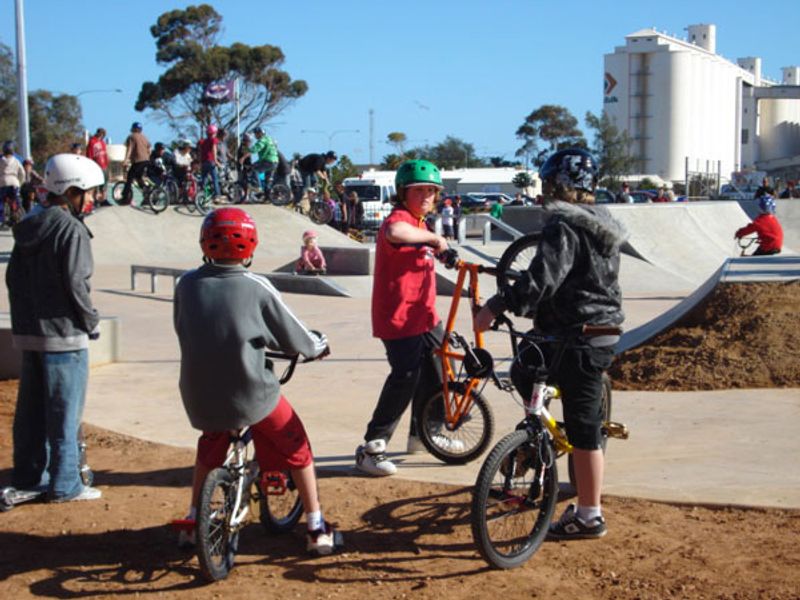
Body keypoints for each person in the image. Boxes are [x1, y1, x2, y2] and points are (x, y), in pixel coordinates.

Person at [474, 147, 626, 540]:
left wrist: (496, 305)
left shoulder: (564, 226)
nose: (543, 193)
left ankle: (585, 509)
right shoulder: (602, 223)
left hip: (572, 334)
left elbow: (542, 281)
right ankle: (585, 505)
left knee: (527, 369)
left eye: (547, 185)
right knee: (584, 425)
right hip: (603, 334)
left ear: (560, 186)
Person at [173, 207, 338, 554]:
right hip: (250, 392)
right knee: (297, 446)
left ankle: (191, 521)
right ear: (251, 247)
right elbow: (297, 337)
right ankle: (316, 525)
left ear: (204, 242)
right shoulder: (256, 286)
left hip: (199, 394)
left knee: (210, 448)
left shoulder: (185, 284)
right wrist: (317, 346)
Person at [6, 153, 104, 503]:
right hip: (64, 337)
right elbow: (77, 282)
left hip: (30, 334)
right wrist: (90, 321)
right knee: (65, 413)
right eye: (89, 192)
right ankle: (66, 485)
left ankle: (30, 477)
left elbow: (12, 278)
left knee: (30, 414)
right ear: (71, 191)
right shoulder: (71, 229)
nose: (92, 199)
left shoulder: (28, 228)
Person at [354, 159, 458, 477]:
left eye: (431, 191)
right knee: (406, 375)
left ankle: (425, 434)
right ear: (403, 193)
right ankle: (372, 446)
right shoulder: (400, 219)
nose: (427, 196)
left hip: (425, 316)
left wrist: (444, 252)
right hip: (398, 317)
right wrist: (434, 240)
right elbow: (396, 232)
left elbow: (423, 247)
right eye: (419, 190)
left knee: (439, 370)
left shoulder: (421, 224)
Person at [122, 121, 152, 204]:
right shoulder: (144, 137)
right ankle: (147, 190)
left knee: (129, 178)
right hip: (146, 161)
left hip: (138, 161)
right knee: (139, 178)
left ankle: (125, 197)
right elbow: (149, 150)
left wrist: (126, 160)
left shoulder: (131, 137)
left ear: (133, 128)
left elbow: (130, 149)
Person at [0, 140, 25, 224]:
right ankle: (15, 217)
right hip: (14, 183)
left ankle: (1, 219)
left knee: (1, 201)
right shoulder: (17, 161)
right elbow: (22, 173)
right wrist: (20, 183)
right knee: (14, 201)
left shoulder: (0, 160)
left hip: (2, 182)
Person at [251, 127, 278, 193]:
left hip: (268, 161)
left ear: (259, 134)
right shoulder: (269, 139)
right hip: (275, 161)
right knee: (268, 180)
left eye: (256, 134)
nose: (255, 136)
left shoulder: (262, 140)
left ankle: (258, 186)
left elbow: (255, 149)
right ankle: (268, 196)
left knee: (254, 169)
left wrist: (247, 151)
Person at [85, 128, 108, 204]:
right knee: (97, 184)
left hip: (104, 165)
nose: (102, 136)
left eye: (103, 134)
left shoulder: (102, 143)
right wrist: (90, 165)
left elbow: (105, 154)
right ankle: (96, 199)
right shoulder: (92, 142)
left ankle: (104, 199)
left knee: (104, 183)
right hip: (96, 165)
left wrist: (107, 163)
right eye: (101, 134)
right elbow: (89, 154)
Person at [198, 124, 221, 199]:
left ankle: (202, 194)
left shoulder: (203, 141)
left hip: (204, 162)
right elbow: (214, 150)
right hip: (211, 161)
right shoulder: (213, 140)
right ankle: (217, 195)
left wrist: (200, 162)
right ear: (214, 132)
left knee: (204, 179)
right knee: (215, 179)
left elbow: (200, 152)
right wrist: (216, 160)